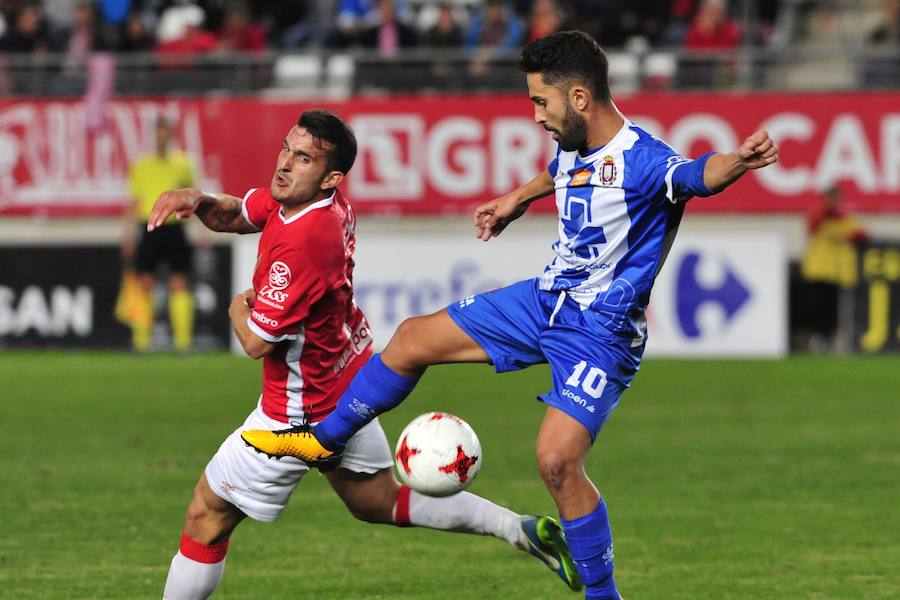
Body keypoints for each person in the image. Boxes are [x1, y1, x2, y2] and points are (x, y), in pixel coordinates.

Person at [242, 32, 779, 600]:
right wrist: (516, 199)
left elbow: (698, 176)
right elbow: (562, 173)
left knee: (556, 462)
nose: (536, 116)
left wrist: (739, 162)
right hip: (544, 302)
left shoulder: (645, 161)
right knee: (412, 338)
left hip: (600, 333)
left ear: (578, 98)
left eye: (540, 103)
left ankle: (604, 595)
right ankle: (324, 440)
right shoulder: (576, 143)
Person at [148, 109, 582, 600]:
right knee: (375, 500)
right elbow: (237, 213)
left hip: (297, 411)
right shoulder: (312, 201)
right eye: (287, 148)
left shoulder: (304, 242)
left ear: (331, 176)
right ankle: (515, 528)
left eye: (303, 157)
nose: (285, 164)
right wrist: (198, 197)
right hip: (347, 383)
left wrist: (234, 308)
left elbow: (256, 343)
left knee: (205, 517)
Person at [121, 116, 196, 352]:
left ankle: (183, 344)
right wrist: (127, 233)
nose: (162, 137)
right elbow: (134, 201)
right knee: (144, 282)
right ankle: (141, 342)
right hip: (150, 225)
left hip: (175, 227)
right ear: (154, 135)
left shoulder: (183, 163)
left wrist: (202, 229)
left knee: (179, 282)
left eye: (166, 133)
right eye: (159, 133)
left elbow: (193, 198)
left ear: (171, 135)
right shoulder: (141, 165)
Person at [800, 185, 867, 352]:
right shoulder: (818, 214)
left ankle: (833, 338)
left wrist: (842, 219)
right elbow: (812, 225)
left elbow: (860, 234)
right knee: (817, 308)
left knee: (835, 309)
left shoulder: (845, 218)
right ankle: (819, 338)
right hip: (819, 270)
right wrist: (830, 212)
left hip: (837, 272)